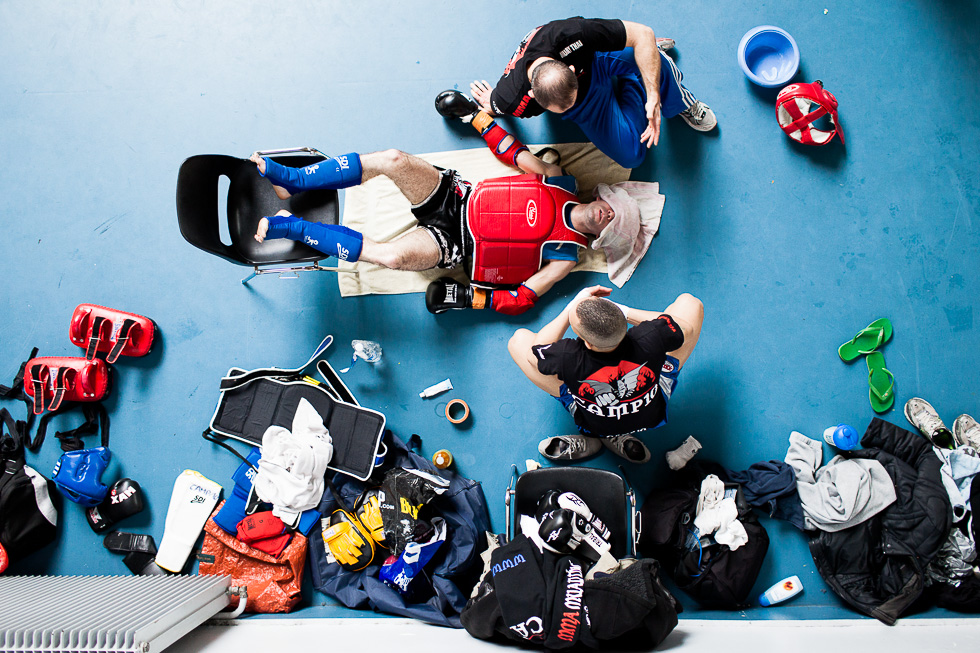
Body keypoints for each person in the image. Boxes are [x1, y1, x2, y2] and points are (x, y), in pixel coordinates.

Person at [249, 100, 616, 316]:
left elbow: (524, 298)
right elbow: (513, 153)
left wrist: (469, 299)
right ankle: (292, 182)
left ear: (602, 239)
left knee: (392, 259)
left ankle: (293, 227)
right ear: (601, 197)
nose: (609, 216)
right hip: (458, 196)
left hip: (454, 246)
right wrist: (477, 117)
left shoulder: (567, 255)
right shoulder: (558, 178)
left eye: (614, 225)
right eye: (614, 207)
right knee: (392, 159)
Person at [468, 17, 716, 169]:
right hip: (586, 106)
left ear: (571, 69)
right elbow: (493, 104)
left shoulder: (573, 34)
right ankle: (640, 68)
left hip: (596, 61)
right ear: (533, 97)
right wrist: (490, 105)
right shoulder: (511, 99)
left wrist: (653, 98)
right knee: (632, 157)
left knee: (651, 56)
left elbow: (643, 33)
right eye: (562, 109)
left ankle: (658, 71)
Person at [508, 286, 703, 463]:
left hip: (594, 421)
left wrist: (570, 309)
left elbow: (534, 353)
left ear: (588, 343)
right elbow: (684, 328)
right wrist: (622, 311)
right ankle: (612, 437)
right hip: (652, 414)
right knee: (690, 303)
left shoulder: (567, 356)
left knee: (518, 341)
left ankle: (601, 436)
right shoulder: (650, 336)